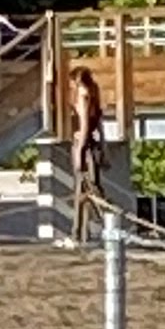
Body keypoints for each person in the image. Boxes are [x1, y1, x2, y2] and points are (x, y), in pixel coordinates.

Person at [67, 67, 108, 233]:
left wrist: (79, 151)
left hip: (84, 146)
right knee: (89, 187)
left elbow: (84, 125)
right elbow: (99, 124)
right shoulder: (93, 94)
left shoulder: (82, 96)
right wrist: (104, 147)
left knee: (86, 188)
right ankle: (81, 231)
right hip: (93, 144)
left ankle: (82, 230)